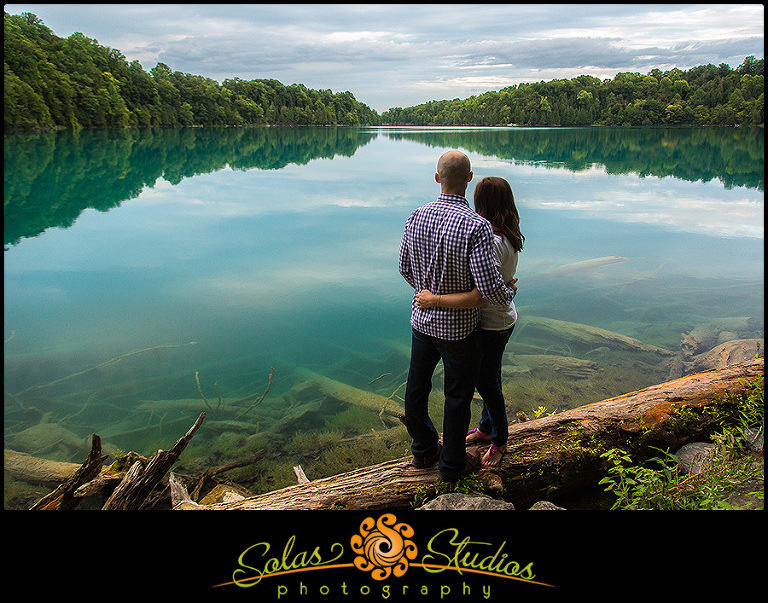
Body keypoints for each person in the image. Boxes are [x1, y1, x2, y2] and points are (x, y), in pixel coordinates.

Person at [398, 152, 516, 482]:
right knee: (457, 397)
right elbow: (488, 288)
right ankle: (451, 466)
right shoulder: (477, 226)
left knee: (416, 388)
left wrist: (429, 295)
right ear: (468, 178)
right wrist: (508, 293)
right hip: (460, 331)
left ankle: (423, 450)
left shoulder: (416, 216)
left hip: (421, 322)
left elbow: (404, 268)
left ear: (437, 178)